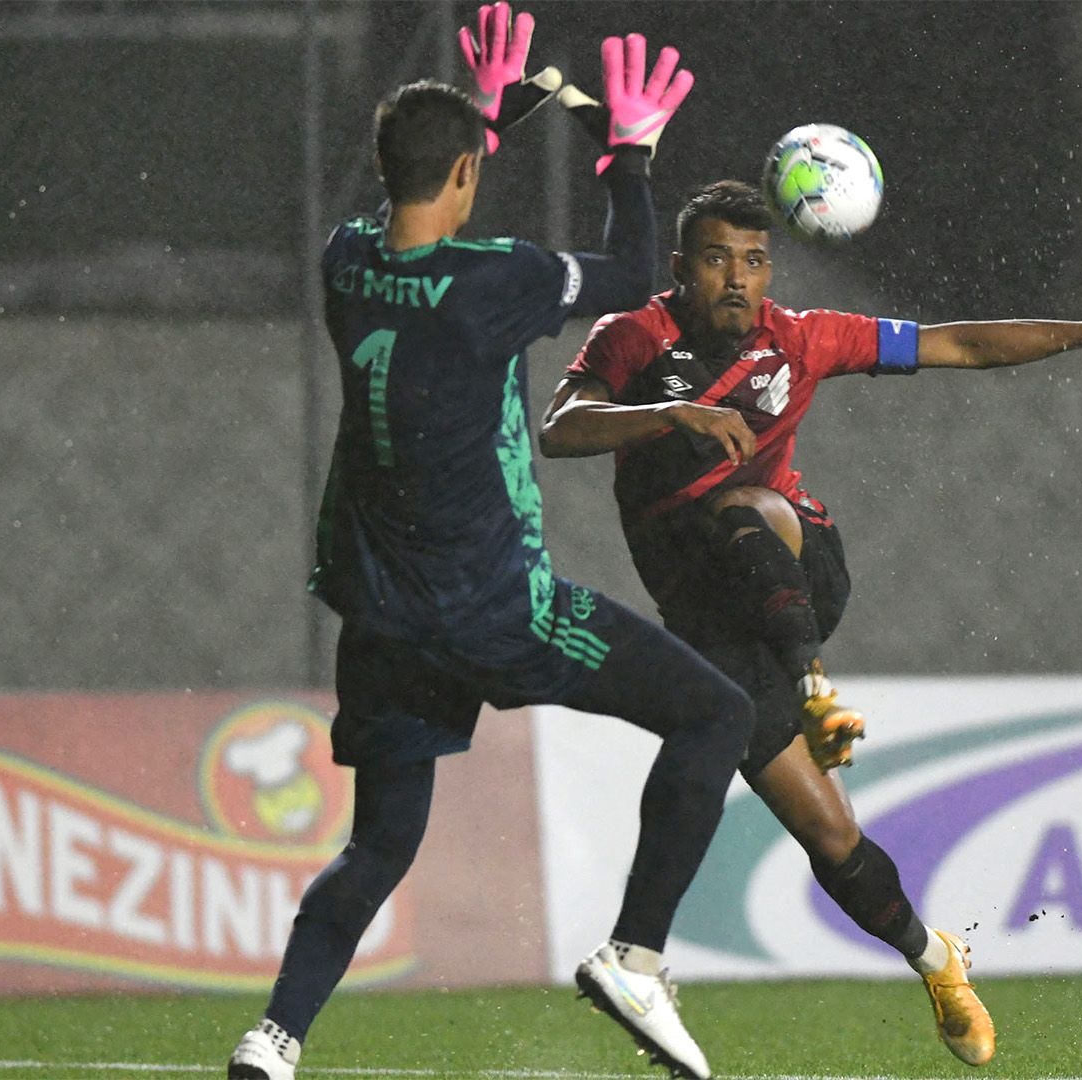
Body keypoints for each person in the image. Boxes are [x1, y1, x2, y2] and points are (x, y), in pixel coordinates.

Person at [538, 179, 1082, 1067]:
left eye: (755, 261)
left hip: (798, 568)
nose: (738, 279)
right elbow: (559, 427)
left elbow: (956, 343)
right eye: (718, 259)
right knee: (831, 839)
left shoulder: (802, 339)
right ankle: (935, 958)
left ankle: (813, 683)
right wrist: (669, 413)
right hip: (714, 623)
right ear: (682, 267)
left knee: (744, 504)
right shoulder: (635, 338)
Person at [228, 12, 746, 1080]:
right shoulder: (493, 280)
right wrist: (630, 153)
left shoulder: (344, 264)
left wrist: (487, 122)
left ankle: (273, 1040)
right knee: (717, 713)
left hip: (382, 621)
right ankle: (636, 956)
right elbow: (636, 271)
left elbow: (411, 210)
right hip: (503, 613)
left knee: (377, 848)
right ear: (465, 176)